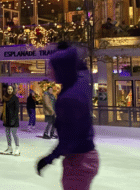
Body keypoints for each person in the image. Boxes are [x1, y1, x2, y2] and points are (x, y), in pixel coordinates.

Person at [36, 45, 99, 190]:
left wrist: (48, 159)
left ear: (61, 69)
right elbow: (84, 70)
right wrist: (69, 52)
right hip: (88, 156)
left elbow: (69, 139)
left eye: (52, 67)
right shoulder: (81, 83)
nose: (49, 71)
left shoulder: (68, 98)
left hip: (78, 161)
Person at [2, 85, 20, 156]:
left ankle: (17, 148)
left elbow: (16, 110)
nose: (9, 90)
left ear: (13, 90)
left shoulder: (15, 98)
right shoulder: (5, 98)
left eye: (11, 89)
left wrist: (14, 119)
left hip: (13, 119)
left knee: (14, 134)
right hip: (7, 119)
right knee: (7, 134)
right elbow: (4, 109)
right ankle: (9, 148)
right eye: (8, 89)